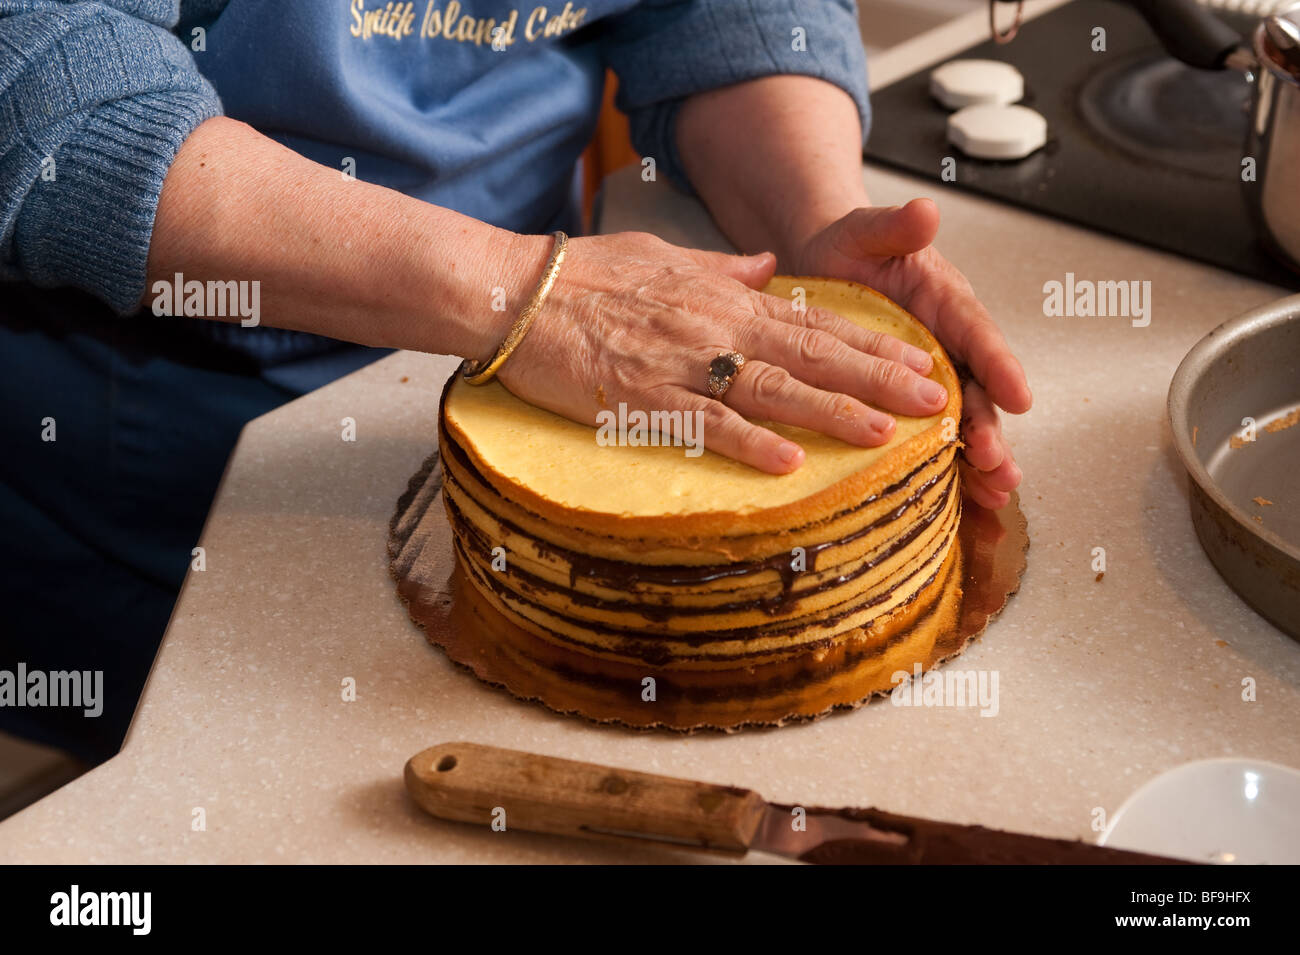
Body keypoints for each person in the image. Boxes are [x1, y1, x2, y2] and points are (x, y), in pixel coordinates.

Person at [0, 0, 1030, 763]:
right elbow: (40, 79)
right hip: (173, 482)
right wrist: (522, 294)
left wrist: (812, 222)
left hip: (567, 355)